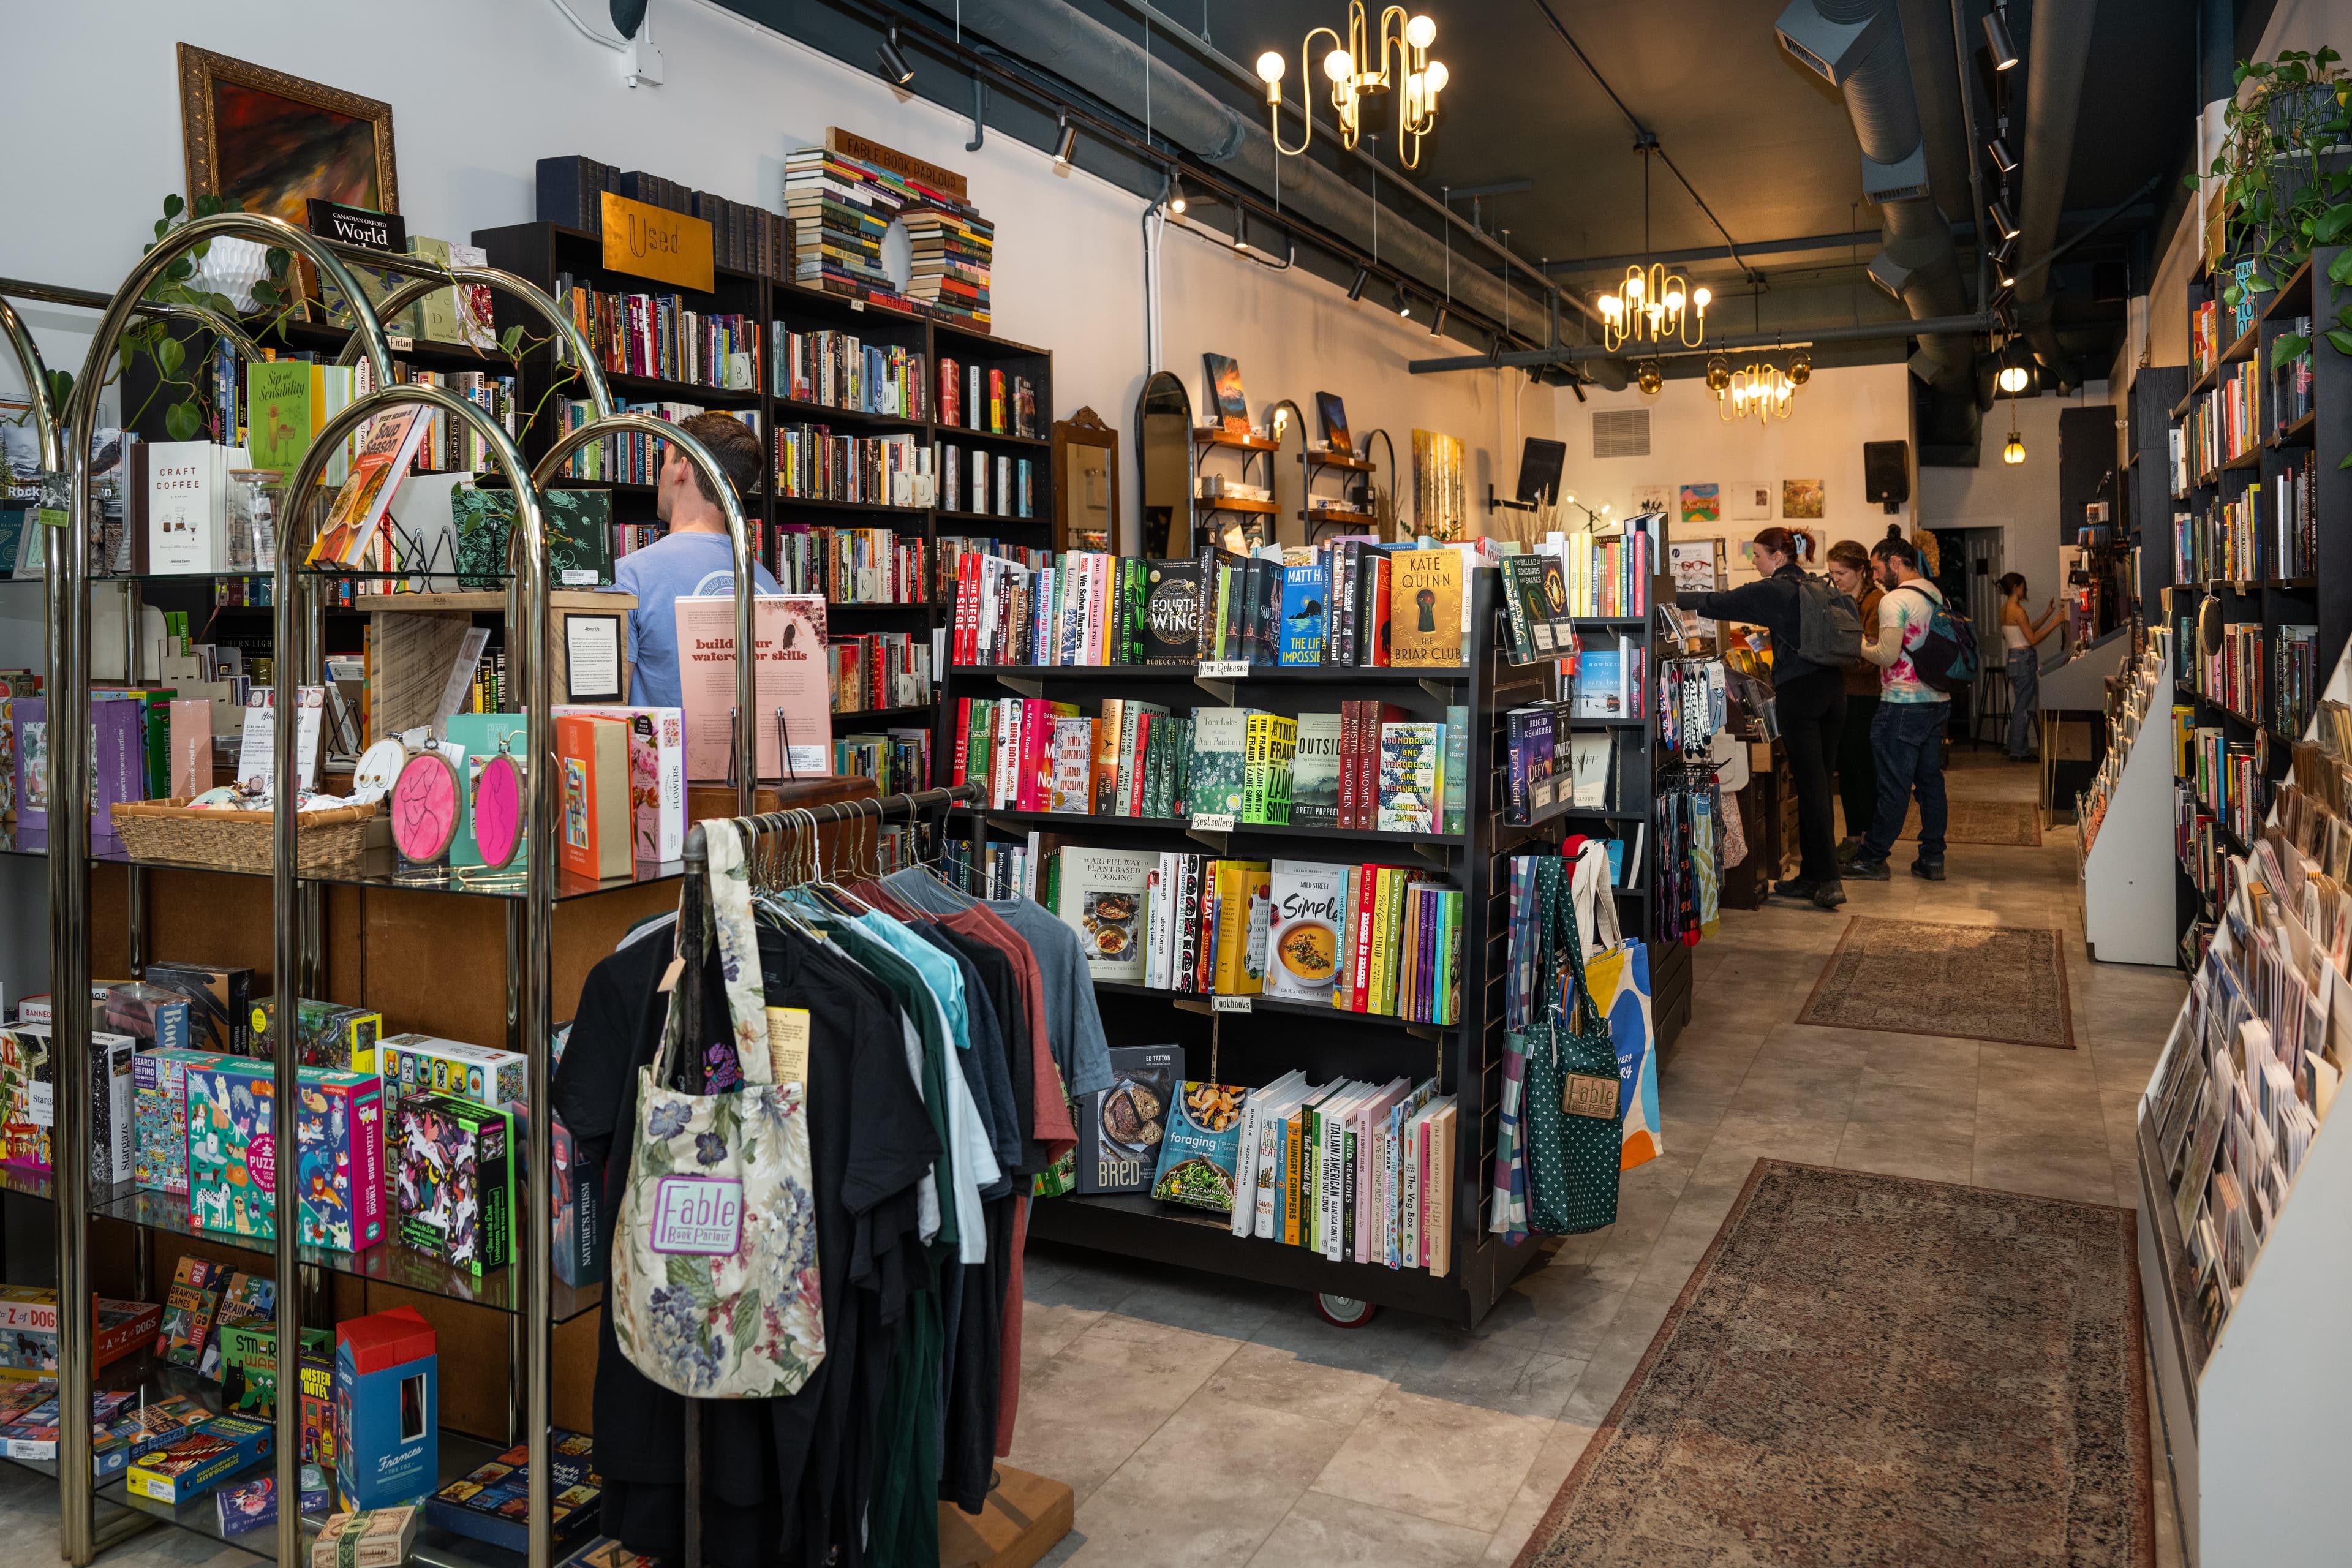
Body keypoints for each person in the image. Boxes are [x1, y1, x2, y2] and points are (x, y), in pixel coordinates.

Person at [1668, 526, 1847, 910]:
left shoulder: (1773, 591)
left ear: (1778, 557)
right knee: (1820, 783)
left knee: (1813, 787)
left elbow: (1715, 602)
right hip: (1834, 691)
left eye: (1759, 555)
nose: (1754, 561)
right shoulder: (1817, 586)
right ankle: (1813, 875)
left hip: (1801, 694)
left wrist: (1661, 595)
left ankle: (1830, 881)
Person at [610, 412, 780, 709]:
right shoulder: (765, 582)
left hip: (662, 756)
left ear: (683, 469)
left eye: (666, 461)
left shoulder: (629, 577)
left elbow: (604, 713)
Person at [1847, 533, 1951, 882]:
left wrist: (1856, 643)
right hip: (1937, 701)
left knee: (1892, 785)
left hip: (1903, 703)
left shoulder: (1893, 601)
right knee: (1930, 784)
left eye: (1877, 569)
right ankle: (1932, 859)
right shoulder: (1935, 593)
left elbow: (1886, 656)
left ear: (1894, 563)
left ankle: (1873, 858)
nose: (1875, 577)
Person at [1825, 539, 1882, 863]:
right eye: (1833, 573)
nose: (1837, 579)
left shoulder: (1875, 602)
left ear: (1862, 570)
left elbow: (1871, 657)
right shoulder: (1838, 598)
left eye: (1843, 572)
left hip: (1866, 697)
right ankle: (1852, 835)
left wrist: (1838, 655)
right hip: (1842, 693)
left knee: (1864, 768)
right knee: (1846, 768)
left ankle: (1867, 838)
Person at [1998, 572, 2065, 761]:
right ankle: (2018, 751)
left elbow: (2025, 629)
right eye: (2023, 586)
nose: (2025, 589)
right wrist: (2055, 623)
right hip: (2024, 659)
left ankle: (2012, 746)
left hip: (2013, 658)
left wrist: (2047, 614)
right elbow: (2032, 638)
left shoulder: (2004, 610)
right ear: (2017, 587)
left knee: (2020, 704)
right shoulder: (2018, 610)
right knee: (2024, 706)